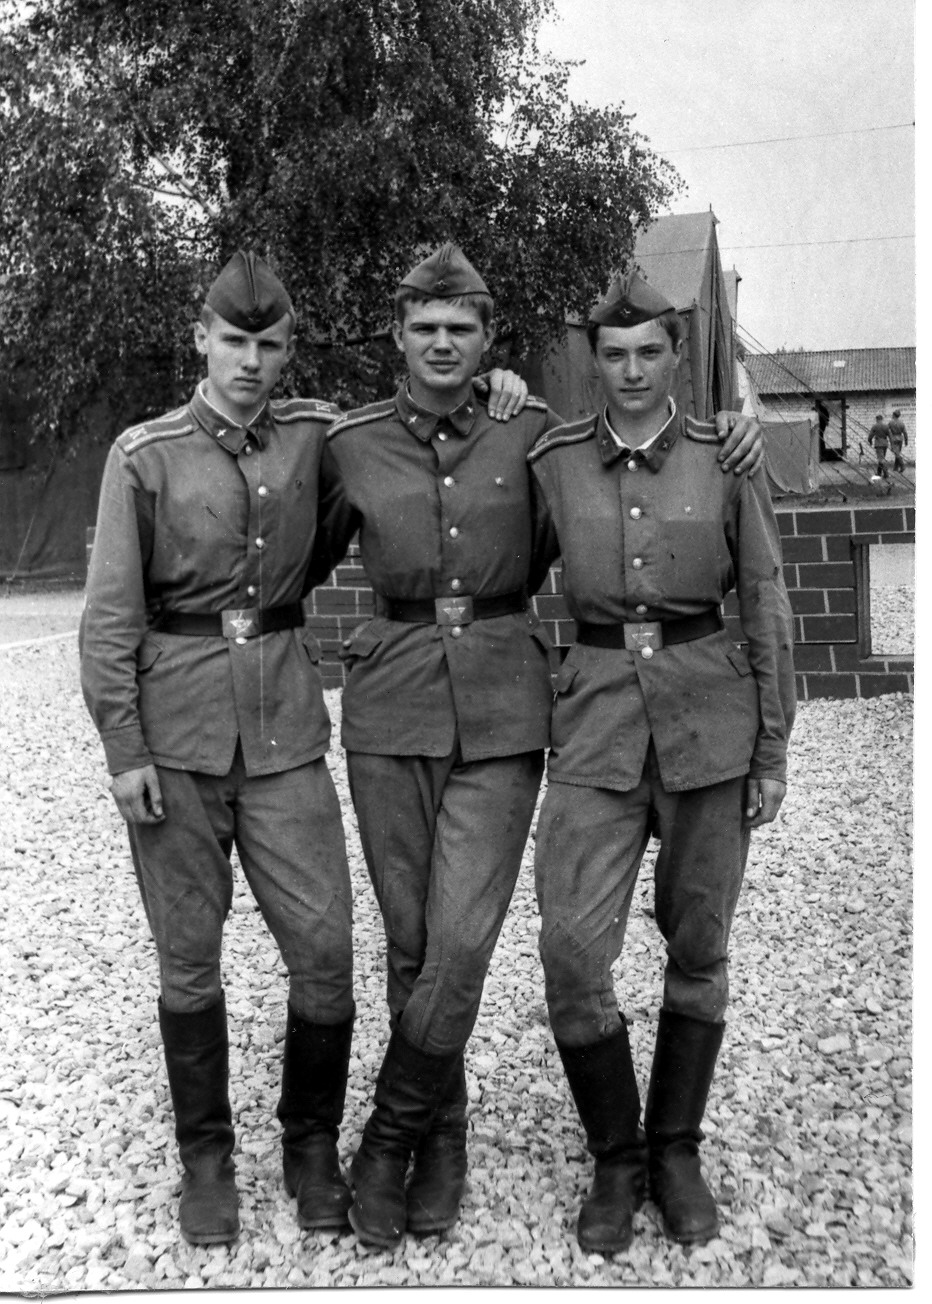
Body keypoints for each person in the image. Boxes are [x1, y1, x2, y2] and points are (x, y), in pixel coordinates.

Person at [315, 245, 765, 1250]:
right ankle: (440, 1138)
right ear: (397, 335)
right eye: (425, 327)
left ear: (488, 341)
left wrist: (732, 430)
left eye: (461, 328)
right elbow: (289, 554)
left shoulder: (529, 434)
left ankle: (387, 1139)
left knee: (462, 937)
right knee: (410, 940)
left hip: (506, 708)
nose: (442, 344)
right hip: (390, 707)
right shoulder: (349, 444)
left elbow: (610, 525)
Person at [79, 252, 360, 1246]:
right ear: (201, 339)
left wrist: (497, 384)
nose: (249, 361)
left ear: (288, 351)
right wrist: (125, 749)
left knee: (326, 949)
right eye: (233, 340)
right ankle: (206, 1159)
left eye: (268, 344)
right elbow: (110, 618)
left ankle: (310, 1145)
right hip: (179, 739)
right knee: (188, 957)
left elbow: (409, 449)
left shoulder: (318, 437)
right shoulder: (144, 456)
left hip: (284, 731)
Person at [527, 270, 795, 1255]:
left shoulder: (726, 457)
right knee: (570, 947)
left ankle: (674, 1149)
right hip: (595, 726)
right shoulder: (554, 461)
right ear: (592, 360)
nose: (632, 369)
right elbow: (498, 572)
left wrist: (771, 746)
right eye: (614, 353)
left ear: (678, 356)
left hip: (707, 724)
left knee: (699, 942)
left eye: (649, 351)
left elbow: (763, 596)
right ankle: (615, 1155)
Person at [868, 413, 890, 479]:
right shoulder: (886, 426)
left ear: (877, 419)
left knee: (881, 459)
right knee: (881, 458)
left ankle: (886, 474)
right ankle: (879, 473)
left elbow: (870, 436)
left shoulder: (875, 426)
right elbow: (890, 435)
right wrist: (891, 444)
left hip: (878, 444)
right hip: (885, 444)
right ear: (882, 419)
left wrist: (870, 441)